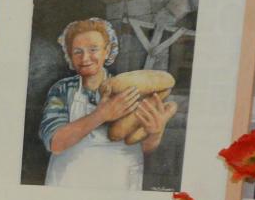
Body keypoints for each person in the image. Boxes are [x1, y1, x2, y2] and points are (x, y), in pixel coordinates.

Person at [37, 17, 173, 189]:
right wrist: (102, 115)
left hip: (119, 182)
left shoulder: (132, 88)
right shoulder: (63, 90)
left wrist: (155, 134)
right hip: (70, 182)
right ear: (70, 55)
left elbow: (142, 148)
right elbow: (55, 143)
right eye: (77, 51)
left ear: (107, 51)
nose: (85, 58)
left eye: (93, 49)